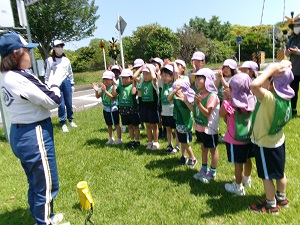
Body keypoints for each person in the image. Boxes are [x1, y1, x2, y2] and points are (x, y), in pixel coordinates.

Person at [0, 32, 70, 225]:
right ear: (16, 54)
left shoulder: (6, 75)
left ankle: (43, 217)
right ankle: (44, 222)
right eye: (26, 51)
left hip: (21, 132)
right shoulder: (19, 77)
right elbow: (53, 100)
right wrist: (56, 80)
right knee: (47, 184)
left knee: (36, 181)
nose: (30, 55)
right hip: (34, 132)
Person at [249, 61, 294, 214]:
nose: (264, 80)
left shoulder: (269, 98)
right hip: (278, 140)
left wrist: (271, 70)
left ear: (273, 84)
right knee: (280, 172)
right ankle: (281, 197)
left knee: (266, 176)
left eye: (267, 78)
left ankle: (271, 205)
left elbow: (254, 86)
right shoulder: (286, 98)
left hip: (264, 143)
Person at [220, 73, 255, 195]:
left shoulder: (230, 105)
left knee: (238, 163)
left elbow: (221, 114)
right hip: (249, 137)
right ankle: (247, 179)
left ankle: (238, 186)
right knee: (248, 159)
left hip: (235, 139)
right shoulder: (252, 101)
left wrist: (225, 99)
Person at [190, 68, 220, 182]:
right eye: (196, 79)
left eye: (199, 79)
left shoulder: (212, 96)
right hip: (200, 126)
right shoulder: (199, 94)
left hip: (209, 129)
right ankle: (203, 169)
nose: (196, 82)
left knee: (213, 150)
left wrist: (198, 104)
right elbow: (196, 111)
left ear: (207, 81)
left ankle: (212, 172)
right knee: (203, 147)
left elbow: (207, 112)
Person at [44, 39, 77, 132]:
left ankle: (70, 119)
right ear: (54, 48)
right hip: (56, 84)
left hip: (66, 82)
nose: (60, 49)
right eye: (58, 47)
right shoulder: (50, 60)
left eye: (61, 47)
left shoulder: (66, 60)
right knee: (61, 104)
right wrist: (47, 85)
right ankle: (63, 122)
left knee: (69, 103)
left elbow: (70, 73)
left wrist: (72, 84)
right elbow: (47, 74)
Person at [167, 79, 198, 168]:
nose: (176, 92)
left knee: (184, 142)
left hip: (185, 124)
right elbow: (169, 99)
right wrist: (174, 91)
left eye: (177, 90)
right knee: (182, 141)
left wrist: (185, 101)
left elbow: (193, 110)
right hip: (179, 123)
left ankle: (193, 158)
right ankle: (184, 156)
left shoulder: (187, 100)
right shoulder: (176, 99)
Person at [133, 64, 160, 150]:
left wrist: (149, 67)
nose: (145, 76)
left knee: (154, 125)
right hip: (144, 106)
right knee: (148, 125)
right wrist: (141, 68)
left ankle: (156, 142)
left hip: (152, 107)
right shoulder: (142, 81)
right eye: (144, 74)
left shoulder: (154, 82)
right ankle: (149, 142)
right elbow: (134, 76)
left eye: (147, 74)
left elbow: (154, 77)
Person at [92, 71, 122, 145]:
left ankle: (119, 139)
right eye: (104, 79)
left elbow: (112, 97)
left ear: (112, 80)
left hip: (113, 108)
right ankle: (111, 138)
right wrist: (96, 91)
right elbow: (98, 96)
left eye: (108, 79)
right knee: (109, 124)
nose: (106, 81)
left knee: (116, 124)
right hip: (106, 108)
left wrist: (105, 91)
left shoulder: (113, 87)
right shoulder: (103, 88)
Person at [115, 69, 141, 149]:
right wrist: (114, 84)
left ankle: (137, 141)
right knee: (129, 126)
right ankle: (132, 140)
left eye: (126, 78)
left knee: (135, 126)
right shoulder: (120, 87)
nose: (124, 80)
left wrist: (134, 83)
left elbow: (133, 93)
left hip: (132, 110)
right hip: (124, 110)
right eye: (123, 78)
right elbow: (114, 94)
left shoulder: (133, 87)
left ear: (131, 79)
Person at [160, 64, 180, 154]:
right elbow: (156, 75)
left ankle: (178, 145)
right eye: (163, 75)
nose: (164, 78)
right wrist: (163, 65)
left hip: (173, 111)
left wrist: (174, 64)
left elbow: (176, 73)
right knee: (168, 129)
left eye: (166, 76)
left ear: (172, 76)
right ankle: (169, 144)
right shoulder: (161, 84)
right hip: (165, 112)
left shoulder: (174, 83)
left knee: (175, 129)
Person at [285, 17, 300, 116]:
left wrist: (297, 51)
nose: (296, 27)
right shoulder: (291, 39)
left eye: (298, 25)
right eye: (295, 26)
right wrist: (288, 52)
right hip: (294, 69)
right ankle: (293, 109)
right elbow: (286, 53)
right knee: (293, 90)